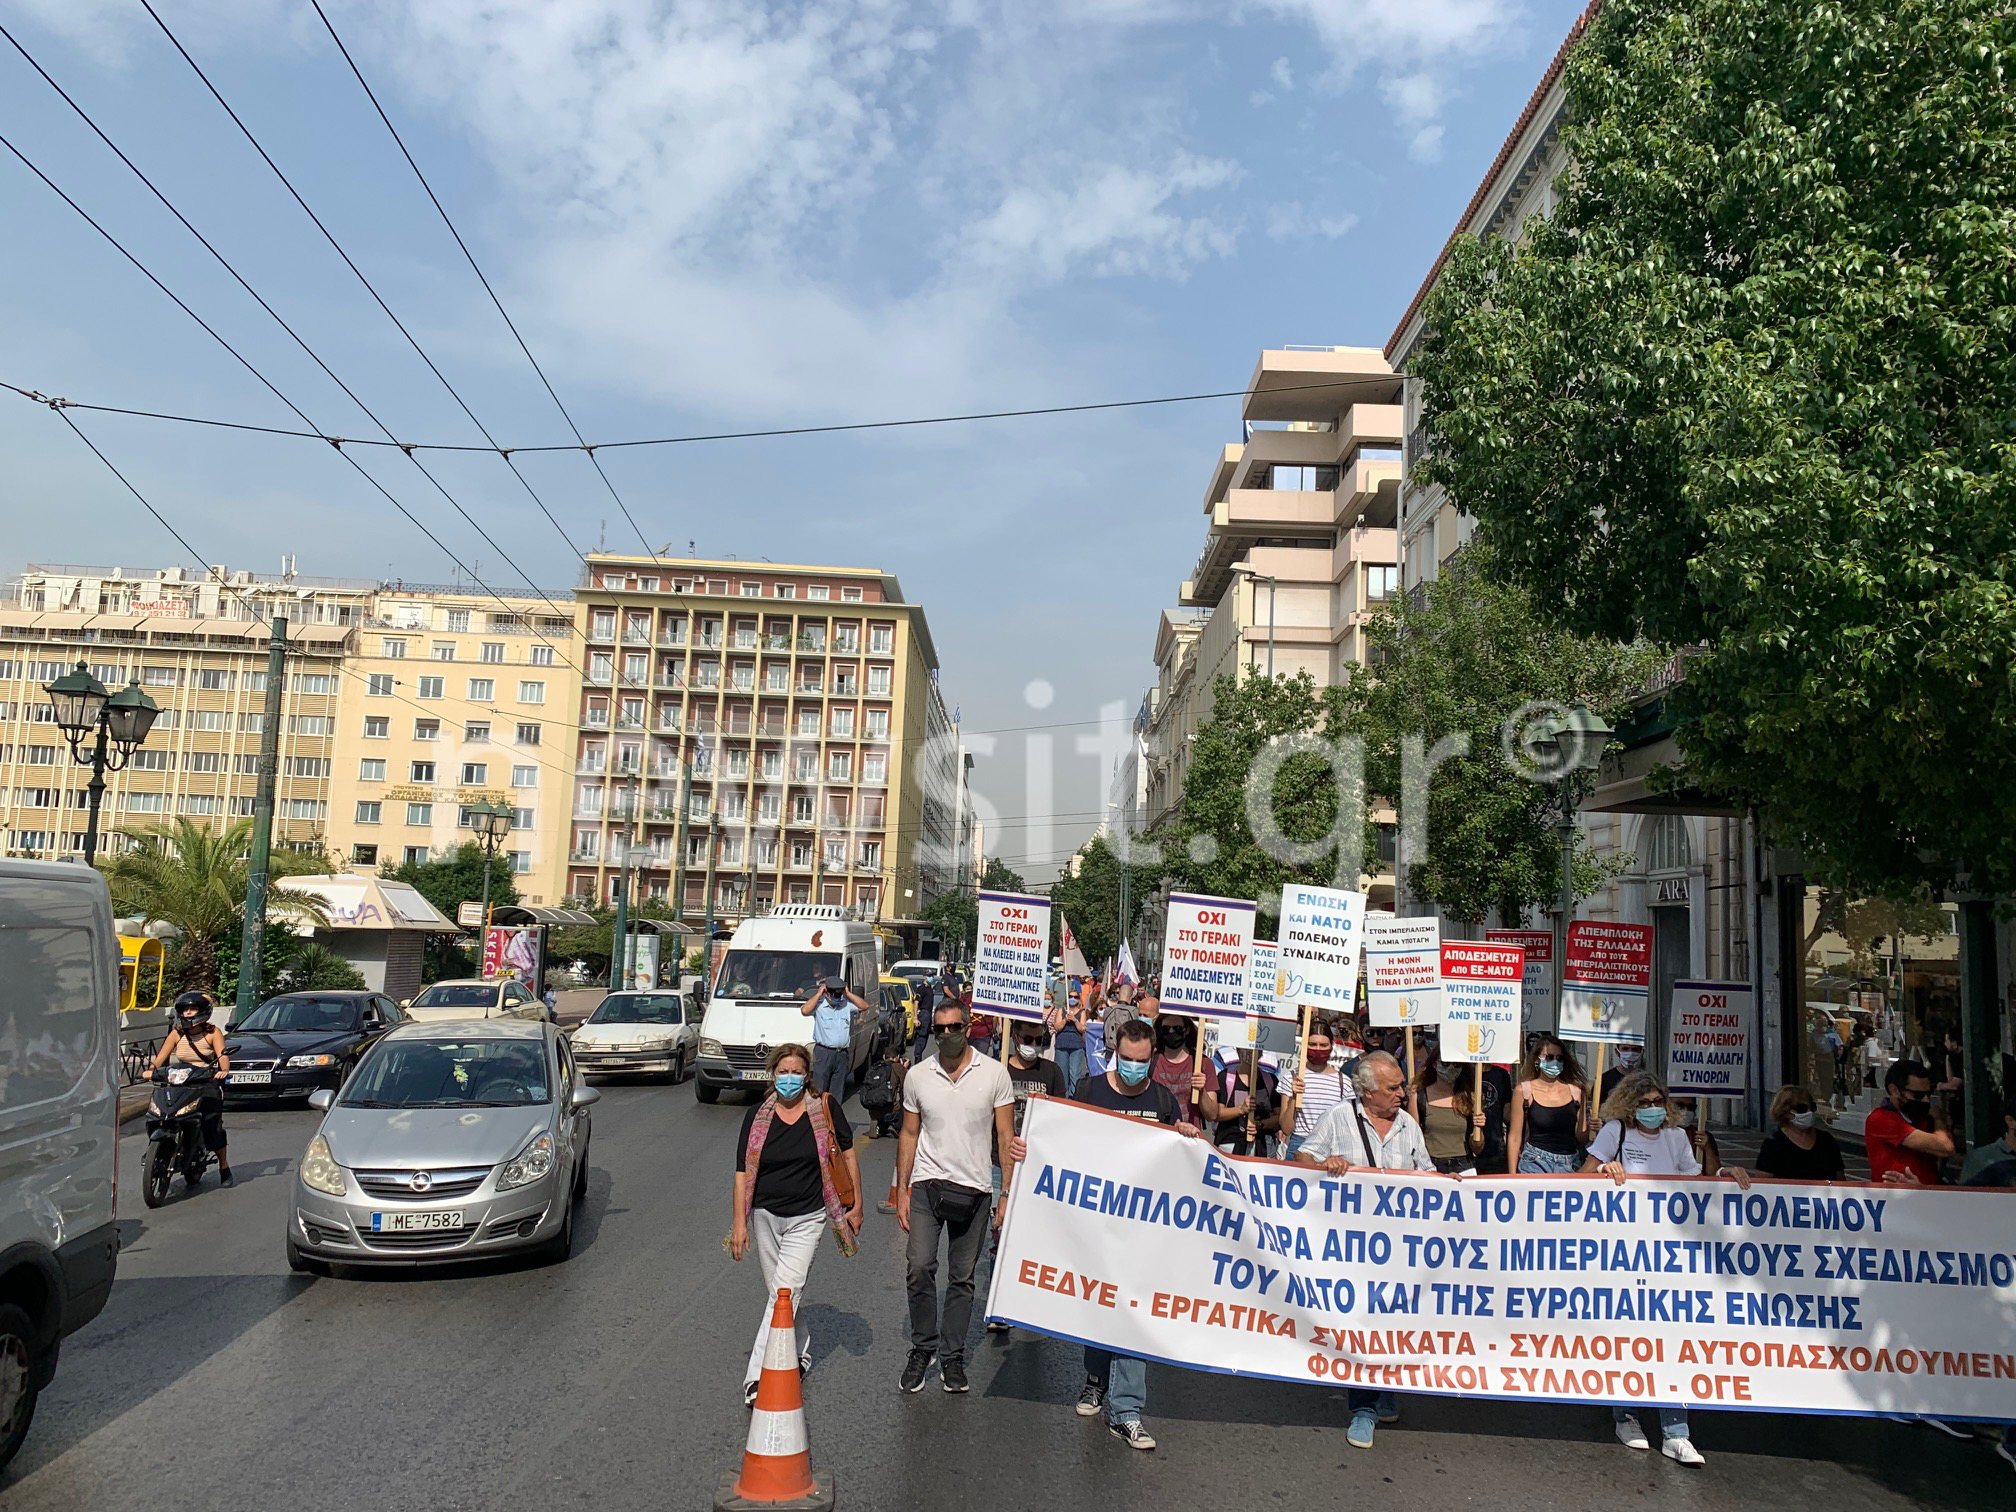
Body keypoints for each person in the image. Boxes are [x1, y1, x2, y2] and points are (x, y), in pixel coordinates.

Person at [1009, 1017, 1202, 1450]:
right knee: (1099, 1305)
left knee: (1133, 1314)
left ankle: (1128, 1410)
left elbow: (1181, 1161)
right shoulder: (1088, 1091)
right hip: (1094, 1226)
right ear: (1116, 1052)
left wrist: (1187, 1135)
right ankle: (1095, 1379)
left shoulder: (1163, 1100)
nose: (1133, 1067)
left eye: (1141, 1061)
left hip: (1143, 1229)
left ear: (1152, 1058)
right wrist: (1027, 1148)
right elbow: (1058, 1139)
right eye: (1126, 1059)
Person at [1585, 1069, 1750, 1467]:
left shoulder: (1677, 1138)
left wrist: (1722, 1174)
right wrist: (1605, 1170)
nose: (1653, 1110)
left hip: (1670, 1254)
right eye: (1644, 1104)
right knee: (1629, 1333)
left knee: (1670, 1335)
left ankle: (1676, 1432)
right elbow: (1583, 1177)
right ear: (1628, 1106)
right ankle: (1626, 1414)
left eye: (1659, 1103)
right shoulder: (1615, 1133)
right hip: (1623, 1253)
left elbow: (1694, 1180)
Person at [1292, 1051, 1430, 1448]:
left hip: (1400, 1245)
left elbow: (1426, 1174)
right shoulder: (1338, 1117)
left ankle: (1382, 1387)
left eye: (1402, 1085)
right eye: (1394, 1087)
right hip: (1353, 1249)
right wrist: (1325, 1164)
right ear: (1367, 1093)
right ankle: (1363, 1410)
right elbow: (1302, 1158)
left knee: (1391, 1323)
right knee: (1361, 1326)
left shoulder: (1408, 1126)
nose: (1402, 1093)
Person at [729, 1044, 862, 1406]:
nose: (790, 1078)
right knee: (782, 1294)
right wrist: (739, 1224)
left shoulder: (824, 1109)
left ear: (807, 1076)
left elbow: (847, 1154)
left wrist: (857, 1204)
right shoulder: (758, 1116)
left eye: (796, 1072)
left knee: (783, 1296)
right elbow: (742, 1173)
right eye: (783, 1072)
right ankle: (801, 1352)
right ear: (773, 1076)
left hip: (810, 1215)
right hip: (765, 1217)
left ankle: (757, 1377)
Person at [896, 998, 1015, 1395]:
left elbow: (1005, 1137)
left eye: (954, 1027)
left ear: (968, 1027)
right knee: (919, 1267)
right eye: (939, 1030)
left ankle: (952, 1356)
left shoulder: (995, 1074)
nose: (947, 1035)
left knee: (962, 1279)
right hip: (928, 1186)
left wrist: (1007, 1194)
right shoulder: (917, 1076)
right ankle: (922, 1347)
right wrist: (902, 1189)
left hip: (976, 1191)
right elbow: (909, 1134)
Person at [149, 991, 233, 1186]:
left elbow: (222, 1057)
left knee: (211, 1126)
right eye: (184, 1010)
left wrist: (224, 1070)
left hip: (205, 1083)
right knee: (159, 1112)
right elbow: (161, 1057)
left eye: (192, 1009)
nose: (187, 1013)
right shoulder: (177, 1033)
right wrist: (151, 1070)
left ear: (203, 1011)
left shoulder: (213, 1033)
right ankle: (160, 1148)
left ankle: (224, 1167)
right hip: (180, 1081)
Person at [1505, 1036, 1586, 1175]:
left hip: (1569, 1164)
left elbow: (1582, 1137)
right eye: (1549, 1057)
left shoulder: (1577, 1092)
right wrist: (1512, 1177)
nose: (1555, 1062)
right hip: (1534, 1162)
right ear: (1537, 1059)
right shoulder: (1524, 1091)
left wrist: (1592, 1126)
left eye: (1559, 1058)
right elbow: (1514, 1137)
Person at [1865, 1059, 1955, 1185]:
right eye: (1918, 1095)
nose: (1925, 1100)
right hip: (1894, 1198)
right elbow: (1945, 1147)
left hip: (1927, 1195)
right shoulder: (1881, 1118)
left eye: (1928, 1094)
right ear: (1894, 1090)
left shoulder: (1923, 1118)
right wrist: (1938, 1118)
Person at [1411, 1044, 1485, 1175]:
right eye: (1445, 1063)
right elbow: (1413, 1139)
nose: (1451, 1069)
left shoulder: (1471, 1098)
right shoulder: (1419, 1097)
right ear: (1434, 1063)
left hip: (1464, 1166)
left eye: (1456, 1064)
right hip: (1431, 1165)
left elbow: (1477, 1148)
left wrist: (1479, 1129)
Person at [1281, 1022, 1351, 1159]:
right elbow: (1286, 1127)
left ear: (1332, 1045)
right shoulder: (1292, 1078)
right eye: (1312, 1044)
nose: (1318, 1049)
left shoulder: (1344, 1082)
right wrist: (1294, 1098)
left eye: (1323, 1045)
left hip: (1332, 1148)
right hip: (1300, 1143)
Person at [1199, 1048, 1283, 1156]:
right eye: (1247, 1049)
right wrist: (1241, 1109)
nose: (1252, 1052)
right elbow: (1216, 1114)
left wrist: (1260, 1124)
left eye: (1256, 1049)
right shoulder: (1225, 1077)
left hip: (1263, 1147)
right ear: (1238, 1050)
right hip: (1230, 1145)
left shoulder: (1270, 1080)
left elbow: (1279, 1117)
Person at [799, 975, 872, 1096]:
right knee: (819, 1088)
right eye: (834, 995)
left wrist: (847, 993)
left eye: (839, 995)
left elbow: (864, 1006)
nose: (837, 998)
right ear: (827, 993)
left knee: (837, 1090)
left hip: (841, 1054)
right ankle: (819, 1113)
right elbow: (804, 1011)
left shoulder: (845, 1005)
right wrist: (818, 994)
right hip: (824, 1053)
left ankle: (833, 1114)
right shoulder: (819, 1006)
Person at [1755, 1085, 1846, 1181]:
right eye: (1801, 1108)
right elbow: (1763, 1183)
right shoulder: (1773, 1144)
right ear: (1785, 1112)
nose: (1809, 1112)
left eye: (1812, 1107)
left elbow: (1840, 1179)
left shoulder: (1826, 1140)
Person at [1149, 1016, 1201, 1123]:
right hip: (1158, 1131)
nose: (1171, 1032)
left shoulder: (1202, 1063)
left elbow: (1213, 1115)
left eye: (1177, 1028)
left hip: (1190, 1134)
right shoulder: (1150, 1059)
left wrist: (1202, 1091)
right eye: (1166, 1028)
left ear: (1186, 1030)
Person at [1047, 986, 1089, 1093]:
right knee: (1062, 1075)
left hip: (1076, 1046)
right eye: (1071, 996)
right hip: (1062, 1045)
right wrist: (1065, 1020)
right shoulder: (1061, 1010)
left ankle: (1074, 1097)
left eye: (1075, 997)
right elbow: (1057, 1027)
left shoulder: (1081, 1012)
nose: (1073, 998)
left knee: (1075, 1074)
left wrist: (1075, 1020)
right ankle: (1063, 1098)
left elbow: (1082, 1029)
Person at [1598, 1041, 1644, 1106]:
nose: (1630, 1054)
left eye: (1635, 1049)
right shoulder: (1604, 1080)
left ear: (1642, 1052)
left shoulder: (1646, 1080)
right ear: (1617, 1052)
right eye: (1625, 1049)